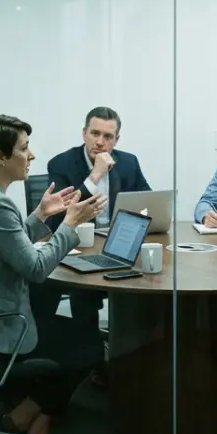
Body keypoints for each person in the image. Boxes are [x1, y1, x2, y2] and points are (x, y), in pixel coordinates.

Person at [0, 114, 106, 434]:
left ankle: (33, 413)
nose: (31, 156)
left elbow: (5, 242)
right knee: (89, 345)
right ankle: (25, 414)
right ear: (1, 157)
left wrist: (41, 215)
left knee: (59, 325)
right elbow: (36, 268)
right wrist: (70, 223)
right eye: (24, 148)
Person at [37, 107, 150, 332]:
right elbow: (63, 213)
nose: (100, 142)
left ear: (116, 140)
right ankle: (89, 351)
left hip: (117, 244)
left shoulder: (128, 162)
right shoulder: (61, 164)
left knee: (146, 280)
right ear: (84, 133)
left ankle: (131, 344)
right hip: (79, 246)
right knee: (84, 293)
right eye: (94, 133)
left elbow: (147, 200)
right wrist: (95, 174)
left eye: (107, 136)